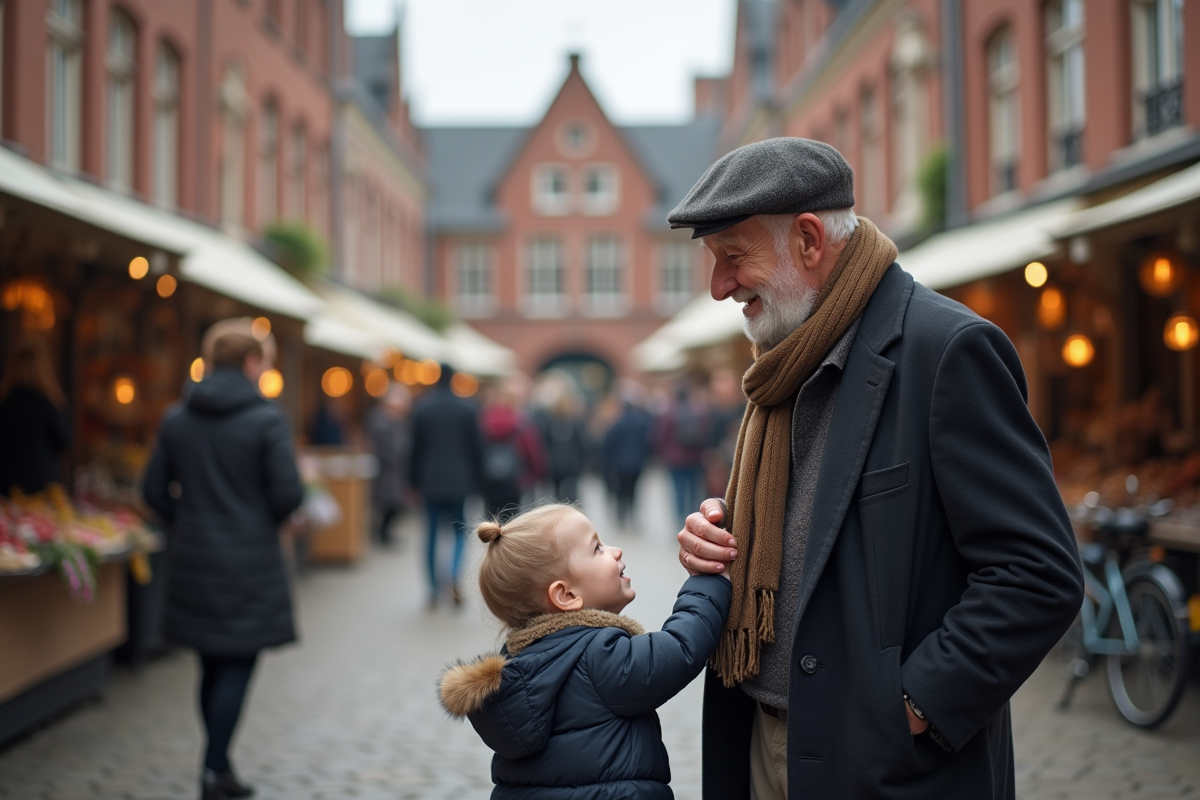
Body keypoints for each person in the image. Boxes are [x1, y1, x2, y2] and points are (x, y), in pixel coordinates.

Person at [668, 138, 1084, 799]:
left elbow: (1040, 573)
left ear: (808, 240)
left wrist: (916, 704)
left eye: (731, 257)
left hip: (885, 763)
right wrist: (718, 541)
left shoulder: (946, 350)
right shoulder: (785, 359)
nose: (718, 287)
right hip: (762, 744)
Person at [438, 504, 731, 799]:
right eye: (597, 549)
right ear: (565, 595)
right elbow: (679, 649)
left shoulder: (522, 667)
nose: (615, 551)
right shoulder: (598, 655)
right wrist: (707, 584)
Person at [142, 318, 304, 800]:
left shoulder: (177, 417)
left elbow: (152, 489)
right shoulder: (265, 419)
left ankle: (218, 765)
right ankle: (215, 768)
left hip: (193, 554)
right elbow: (288, 493)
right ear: (252, 362)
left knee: (210, 663)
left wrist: (186, 520)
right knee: (236, 664)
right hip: (250, 559)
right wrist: (261, 520)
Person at [409, 363, 481, 607]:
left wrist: (412, 482)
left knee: (430, 534)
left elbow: (415, 449)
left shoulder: (422, 408)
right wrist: (478, 481)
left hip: (430, 481)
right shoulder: (468, 409)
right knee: (460, 532)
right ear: (454, 379)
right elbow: (476, 449)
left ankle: (432, 587)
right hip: (460, 481)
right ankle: (453, 574)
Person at [0, 337, 70, 495]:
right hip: (44, 486)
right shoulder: (48, 403)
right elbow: (65, 441)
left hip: (7, 486)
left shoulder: (4, 404)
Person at [478, 382, 545, 522]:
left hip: (488, 478)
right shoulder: (520, 421)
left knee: (491, 519)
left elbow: (476, 448)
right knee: (511, 519)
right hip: (514, 478)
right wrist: (536, 473)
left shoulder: (484, 420)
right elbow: (531, 450)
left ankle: (492, 542)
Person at [655, 382, 711, 524]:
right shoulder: (698, 411)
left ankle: (681, 520)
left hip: (675, 460)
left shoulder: (670, 413)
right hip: (694, 458)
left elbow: (661, 436)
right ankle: (694, 517)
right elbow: (705, 434)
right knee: (694, 490)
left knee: (678, 490)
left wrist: (664, 453)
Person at [365, 383, 411, 546]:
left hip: (395, 470)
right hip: (386, 470)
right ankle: (382, 534)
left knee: (395, 504)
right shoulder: (380, 419)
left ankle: (384, 533)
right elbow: (386, 446)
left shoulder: (396, 419)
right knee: (388, 504)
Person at [601, 395, 653, 528]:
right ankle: (632, 513)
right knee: (634, 490)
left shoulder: (617, 424)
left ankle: (621, 514)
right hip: (637, 463)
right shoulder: (641, 423)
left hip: (621, 464)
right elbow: (647, 443)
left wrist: (609, 462)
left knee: (622, 490)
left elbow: (609, 444)